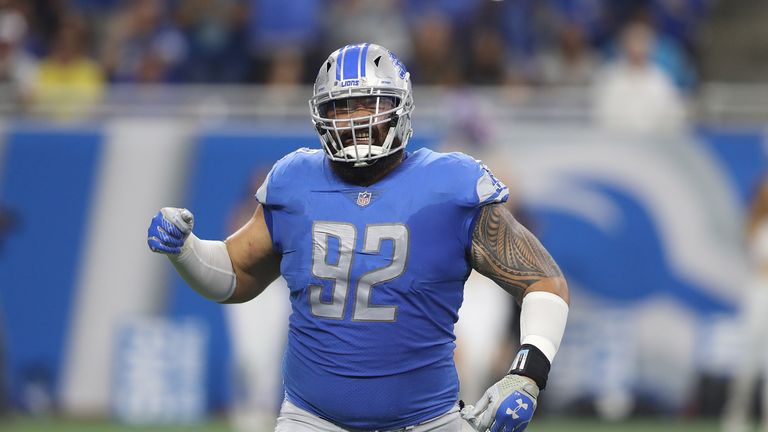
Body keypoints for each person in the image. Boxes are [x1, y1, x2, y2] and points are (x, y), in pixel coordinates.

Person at [147, 43, 569, 432]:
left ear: (400, 108)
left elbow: (543, 281)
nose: (357, 118)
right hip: (313, 420)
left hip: (428, 421)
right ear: (320, 115)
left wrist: (526, 374)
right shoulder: (294, 180)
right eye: (342, 107)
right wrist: (186, 249)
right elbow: (235, 275)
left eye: (371, 103)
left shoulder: (449, 183)